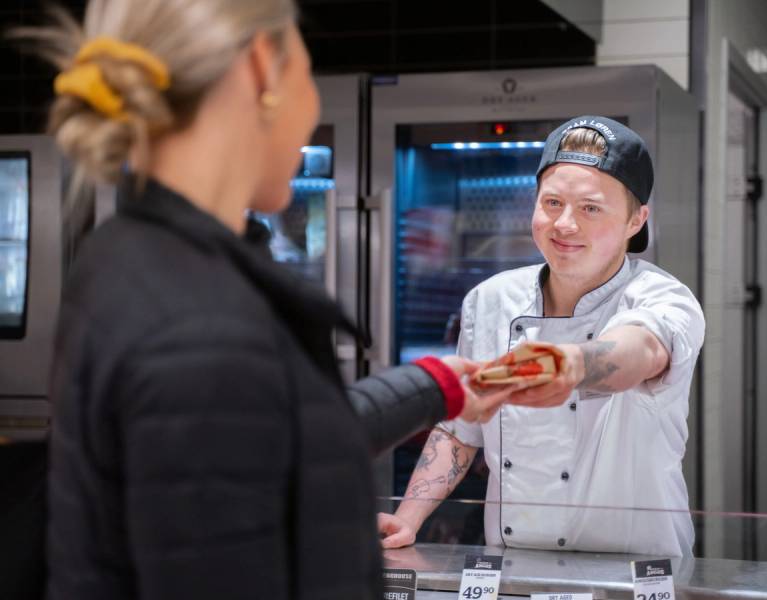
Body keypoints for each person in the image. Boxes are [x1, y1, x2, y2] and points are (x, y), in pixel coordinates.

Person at [18, 2, 518, 599]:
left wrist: (440, 385)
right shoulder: (198, 322)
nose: (311, 113)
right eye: (309, 73)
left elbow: (263, 433)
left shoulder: (137, 257)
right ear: (262, 69)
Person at [378, 116, 706, 557]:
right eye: (552, 203)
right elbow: (461, 429)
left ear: (636, 220)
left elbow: (642, 349)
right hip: (516, 567)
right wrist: (408, 518)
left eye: (590, 208)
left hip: (632, 568)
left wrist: (571, 366)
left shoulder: (664, 298)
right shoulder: (490, 300)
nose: (564, 224)